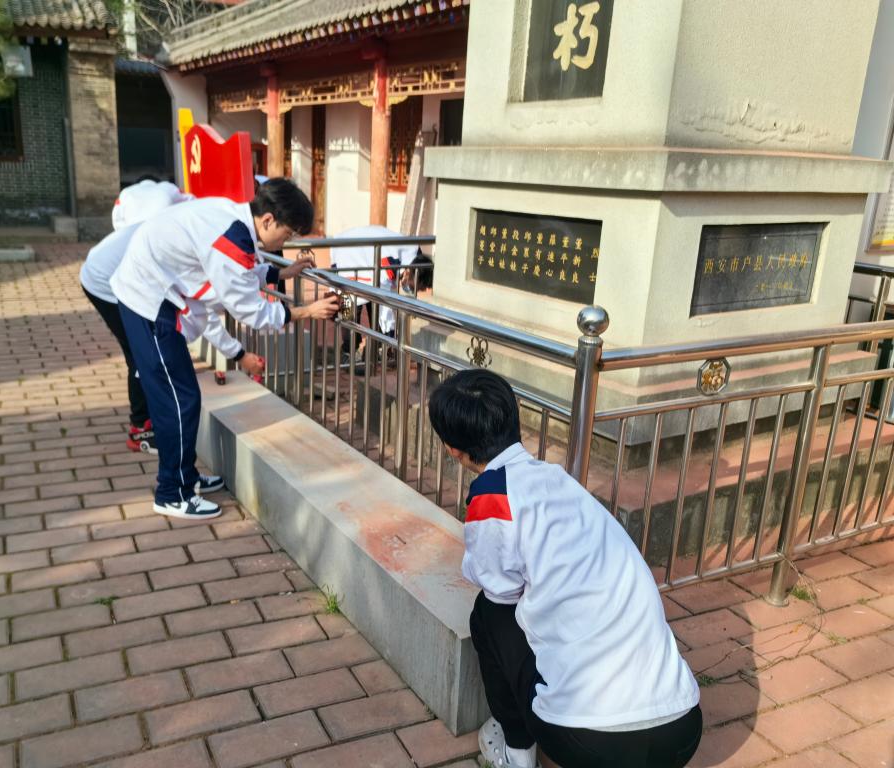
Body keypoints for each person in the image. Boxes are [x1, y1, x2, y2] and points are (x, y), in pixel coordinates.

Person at [428, 370, 702, 768]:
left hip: (590, 743)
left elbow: (498, 586)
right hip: (681, 730)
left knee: (488, 613)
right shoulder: (561, 482)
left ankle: (516, 753)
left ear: (452, 449)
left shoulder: (492, 495)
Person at [110, 178, 339, 519]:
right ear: (268, 221)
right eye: (287, 234)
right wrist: (306, 312)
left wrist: (280, 274)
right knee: (178, 401)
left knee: (181, 398)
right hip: (149, 303)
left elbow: (239, 270)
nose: (285, 242)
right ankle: (172, 493)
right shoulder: (231, 237)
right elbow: (249, 309)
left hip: (151, 293)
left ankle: (185, 477)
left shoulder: (232, 218)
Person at [80, 181, 262, 455]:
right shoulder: (197, 245)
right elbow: (205, 315)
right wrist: (239, 354)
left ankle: (153, 423)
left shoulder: (192, 226)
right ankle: (141, 427)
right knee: (143, 357)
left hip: (110, 267)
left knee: (152, 358)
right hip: (105, 281)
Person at [329, 225, 433, 369]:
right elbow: (385, 300)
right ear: (412, 274)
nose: (413, 290)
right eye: (415, 287)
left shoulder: (411, 256)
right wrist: (390, 333)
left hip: (365, 259)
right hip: (349, 255)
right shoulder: (394, 260)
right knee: (350, 311)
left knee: (374, 306)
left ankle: (375, 351)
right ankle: (348, 353)